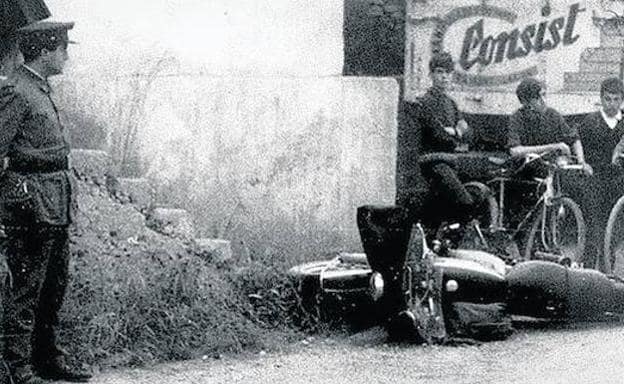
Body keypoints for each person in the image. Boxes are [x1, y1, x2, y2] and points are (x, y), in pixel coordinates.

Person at [0, 21, 91, 384]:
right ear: (46, 49)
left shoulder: (40, 89)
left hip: (54, 202)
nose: (66, 56)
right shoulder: (17, 92)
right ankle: (16, 368)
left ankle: (47, 359)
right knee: (25, 289)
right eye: (63, 48)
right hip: (29, 204)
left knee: (53, 287)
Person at [412, 51, 484, 225]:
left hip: (451, 162)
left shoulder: (451, 103)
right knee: (465, 202)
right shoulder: (424, 102)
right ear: (431, 75)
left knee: (481, 193)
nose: (444, 77)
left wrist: (455, 131)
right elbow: (439, 136)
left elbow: (469, 134)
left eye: (448, 73)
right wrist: (456, 131)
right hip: (433, 163)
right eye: (439, 72)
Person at [579, 77, 624, 266]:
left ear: (622, 100)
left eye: (616, 99)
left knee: (614, 229)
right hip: (595, 180)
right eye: (608, 99)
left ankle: (609, 270)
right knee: (594, 227)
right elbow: (578, 142)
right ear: (601, 98)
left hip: (618, 181)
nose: (611, 104)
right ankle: (588, 272)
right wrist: (583, 162)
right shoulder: (591, 121)